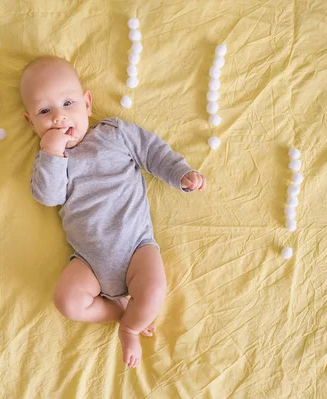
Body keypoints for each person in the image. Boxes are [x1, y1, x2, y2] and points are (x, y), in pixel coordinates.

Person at [19, 56, 206, 368]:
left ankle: (130, 328)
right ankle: (119, 311)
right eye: (44, 111)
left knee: (154, 289)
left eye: (68, 103)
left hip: (136, 247)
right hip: (89, 262)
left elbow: (153, 153)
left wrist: (180, 174)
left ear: (87, 103)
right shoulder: (49, 161)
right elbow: (49, 197)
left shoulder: (114, 133)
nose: (59, 117)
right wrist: (51, 151)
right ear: (31, 122)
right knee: (66, 301)